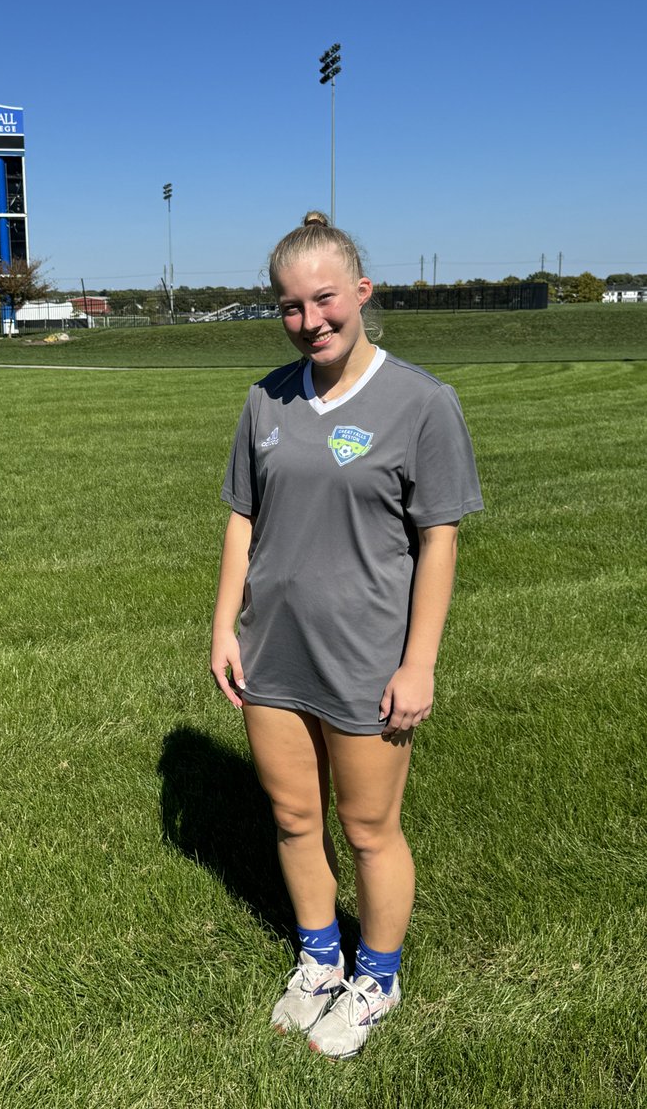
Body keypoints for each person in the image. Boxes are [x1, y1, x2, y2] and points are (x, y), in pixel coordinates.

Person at [210, 211, 483, 1059]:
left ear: (362, 292)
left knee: (369, 829)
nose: (310, 320)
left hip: (367, 658)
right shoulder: (265, 398)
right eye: (291, 306)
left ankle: (378, 979)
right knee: (295, 818)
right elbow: (243, 519)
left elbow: (439, 539)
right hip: (272, 649)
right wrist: (224, 626)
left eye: (324, 299)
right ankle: (321, 961)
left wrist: (419, 663)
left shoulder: (423, 403)